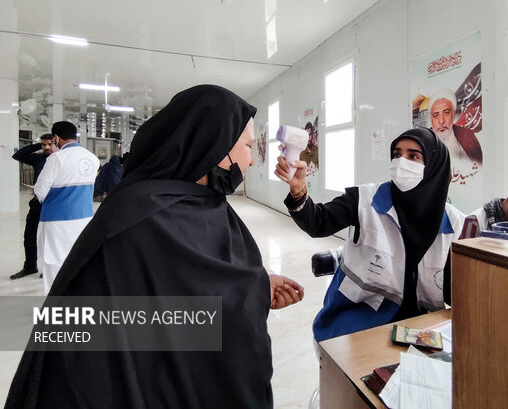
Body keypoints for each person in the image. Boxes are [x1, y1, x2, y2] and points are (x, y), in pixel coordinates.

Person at [6, 85, 303, 409]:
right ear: (212, 144)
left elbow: (198, 283)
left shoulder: (206, 204)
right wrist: (250, 292)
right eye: (247, 145)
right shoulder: (143, 215)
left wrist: (255, 285)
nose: (251, 159)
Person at [275, 127, 465, 342]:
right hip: (359, 319)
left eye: (413, 156)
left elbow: (461, 293)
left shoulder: (457, 225)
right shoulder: (364, 199)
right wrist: (299, 189)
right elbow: (318, 222)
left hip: (423, 328)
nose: (401, 162)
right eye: (396, 154)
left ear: (434, 166)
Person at [33, 121, 100, 294]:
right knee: (77, 260)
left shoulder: (57, 158)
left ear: (55, 138)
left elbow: (40, 191)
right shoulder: (92, 158)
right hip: (84, 218)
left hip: (57, 220)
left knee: (54, 262)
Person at [10, 134, 55, 279]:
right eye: (44, 144)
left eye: (49, 144)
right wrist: (38, 145)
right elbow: (18, 155)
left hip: (52, 203)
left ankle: (49, 268)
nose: (47, 147)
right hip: (36, 204)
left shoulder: (60, 159)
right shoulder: (39, 159)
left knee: (50, 237)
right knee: (29, 235)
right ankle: (30, 266)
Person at [429, 87, 483, 166]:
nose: (441, 121)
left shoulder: (467, 136)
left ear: (453, 115)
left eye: (446, 112)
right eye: (436, 115)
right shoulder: (424, 142)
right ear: (431, 119)